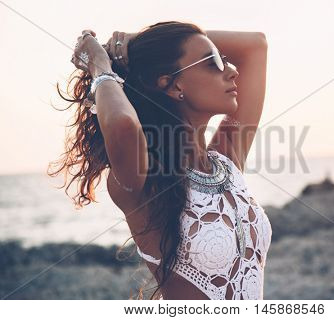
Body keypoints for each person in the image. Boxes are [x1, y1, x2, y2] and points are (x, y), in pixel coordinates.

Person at [50, 21, 271, 300]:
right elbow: (123, 125)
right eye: (213, 61)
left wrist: (133, 45)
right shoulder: (147, 181)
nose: (232, 70)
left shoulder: (226, 163)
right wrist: (100, 66)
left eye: (223, 59)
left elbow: (255, 46)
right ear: (171, 85)